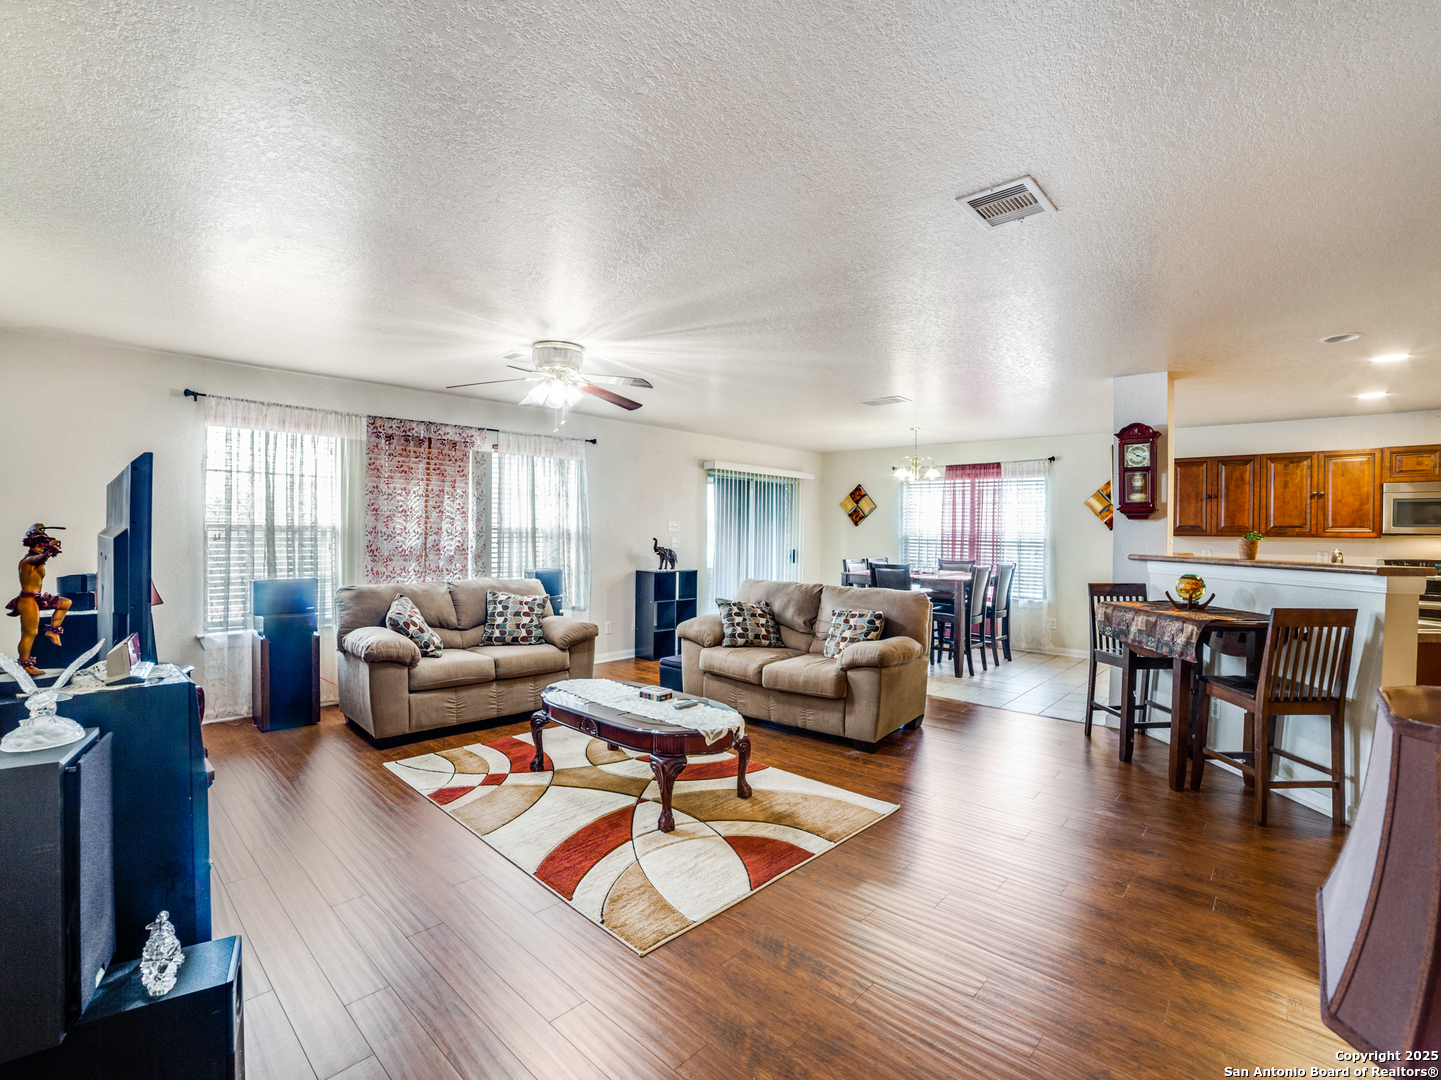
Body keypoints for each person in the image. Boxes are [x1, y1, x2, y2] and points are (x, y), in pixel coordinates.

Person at [6, 524, 70, 676]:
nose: (41, 549)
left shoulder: (37, 561)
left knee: (65, 603)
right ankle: (25, 664)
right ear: (32, 546)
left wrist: (50, 549)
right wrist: (49, 551)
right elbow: (39, 558)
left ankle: (53, 631)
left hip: (37, 598)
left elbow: (42, 558)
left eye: (43, 546)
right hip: (27, 600)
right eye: (39, 546)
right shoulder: (29, 561)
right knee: (30, 633)